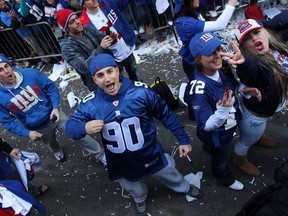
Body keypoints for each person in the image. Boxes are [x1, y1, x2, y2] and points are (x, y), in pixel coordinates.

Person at [65, 53, 202, 215]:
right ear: (94, 80)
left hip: (149, 153)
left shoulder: (140, 92)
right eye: (100, 75)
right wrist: (84, 128)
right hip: (120, 162)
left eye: (110, 71)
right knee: (134, 188)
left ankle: (183, 187)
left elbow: (165, 115)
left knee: (169, 174)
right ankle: (140, 198)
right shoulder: (90, 103)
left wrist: (183, 139)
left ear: (118, 71)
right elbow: (70, 128)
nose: (107, 79)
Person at [184, 32, 260, 190]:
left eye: (218, 48)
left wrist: (245, 90)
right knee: (221, 158)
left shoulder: (222, 68)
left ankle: (210, 148)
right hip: (219, 134)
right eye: (211, 52)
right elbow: (206, 125)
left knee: (216, 150)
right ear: (198, 59)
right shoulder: (198, 89)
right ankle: (224, 177)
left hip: (228, 125)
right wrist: (222, 111)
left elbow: (231, 85)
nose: (218, 55)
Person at [0, 54, 105, 164]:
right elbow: (7, 121)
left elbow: (50, 87)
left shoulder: (30, 74)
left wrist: (55, 107)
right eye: (1, 70)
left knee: (77, 132)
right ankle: (57, 150)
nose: (6, 71)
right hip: (37, 127)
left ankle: (100, 153)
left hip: (54, 114)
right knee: (51, 142)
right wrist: (27, 133)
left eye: (7, 66)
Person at [222, 19, 288, 176]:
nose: (254, 39)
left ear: (265, 31)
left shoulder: (274, 46)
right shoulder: (253, 62)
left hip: (268, 105)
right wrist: (244, 63)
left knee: (257, 134)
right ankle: (238, 158)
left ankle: (259, 138)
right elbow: (250, 69)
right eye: (247, 39)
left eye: (257, 32)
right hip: (255, 118)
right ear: (244, 47)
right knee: (246, 141)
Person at [79, 0, 142, 82]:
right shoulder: (84, 23)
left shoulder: (107, 3)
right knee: (118, 84)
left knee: (137, 78)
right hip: (110, 57)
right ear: (83, 4)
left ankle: (143, 93)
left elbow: (122, 2)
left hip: (126, 47)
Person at [173, 0, 237, 80]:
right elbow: (220, 25)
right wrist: (232, 1)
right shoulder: (184, 23)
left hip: (209, 56)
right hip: (196, 64)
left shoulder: (193, 7)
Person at [56, 9, 114, 91]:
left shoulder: (86, 28)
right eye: (72, 21)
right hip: (97, 83)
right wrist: (100, 48)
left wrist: (110, 37)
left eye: (77, 18)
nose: (77, 22)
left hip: (109, 69)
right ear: (67, 28)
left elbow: (101, 37)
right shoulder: (67, 47)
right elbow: (83, 67)